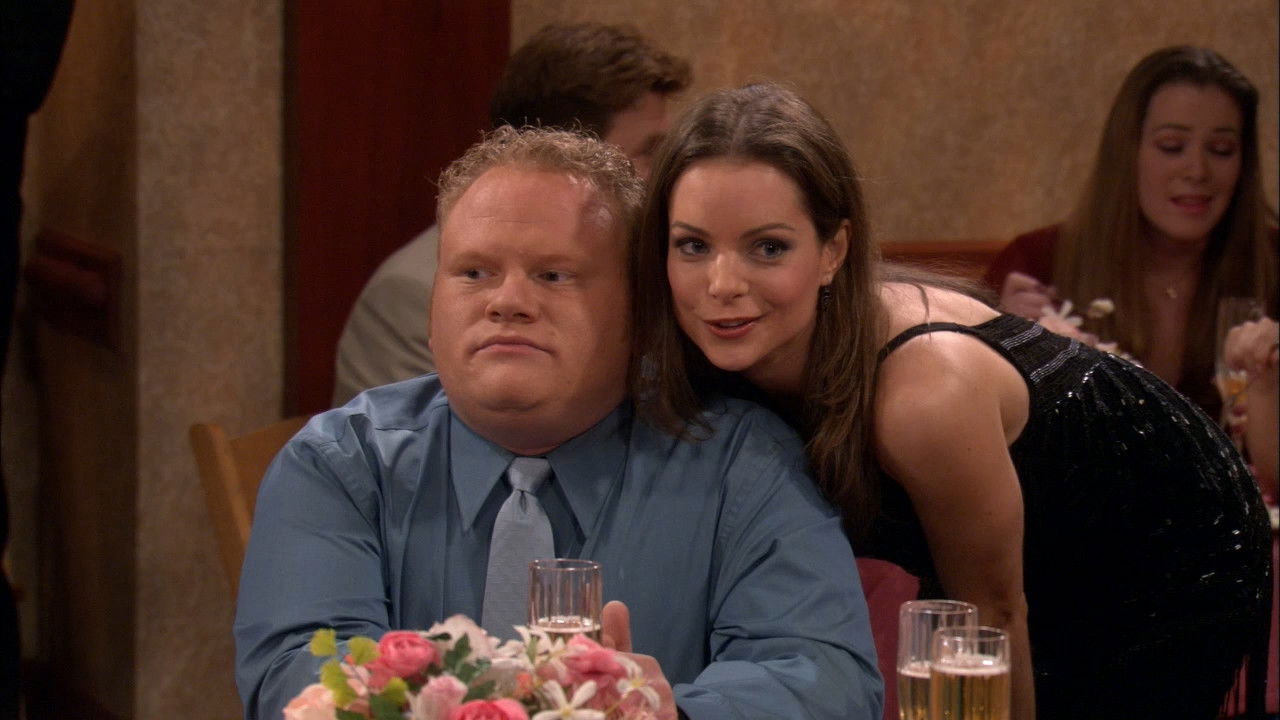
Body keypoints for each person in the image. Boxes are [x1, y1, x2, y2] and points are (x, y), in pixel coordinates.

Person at [631, 82, 1272, 719]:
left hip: (1170, 543)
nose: (722, 284)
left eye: (769, 248)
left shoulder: (922, 398)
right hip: (1035, 556)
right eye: (694, 245)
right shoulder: (713, 350)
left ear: (833, 252)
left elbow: (991, 620)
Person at [236, 127, 883, 720]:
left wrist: (668, 714)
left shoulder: (744, 464)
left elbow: (825, 678)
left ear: (641, 311)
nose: (508, 302)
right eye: (474, 272)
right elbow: (298, 678)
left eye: (554, 275)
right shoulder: (339, 465)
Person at [331, 21, 692, 406]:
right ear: (573, 154)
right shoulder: (408, 292)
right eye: (649, 152)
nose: (666, 173)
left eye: (554, 275)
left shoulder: (652, 265)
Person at [983, 46, 1278, 421]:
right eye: (1172, 146)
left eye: (1221, 150)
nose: (1197, 171)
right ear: (1127, 153)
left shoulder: (1272, 263)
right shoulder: (1037, 262)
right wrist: (1000, 346)